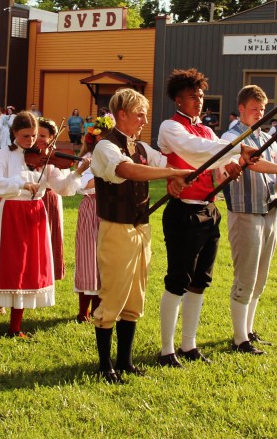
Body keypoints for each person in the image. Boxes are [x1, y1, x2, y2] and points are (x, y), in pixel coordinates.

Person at [156, 69, 277, 367]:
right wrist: (235, 150)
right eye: (192, 97)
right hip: (183, 210)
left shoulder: (207, 129)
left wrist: (230, 168)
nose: (199, 102)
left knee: (200, 281)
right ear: (178, 99)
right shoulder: (171, 127)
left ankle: (188, 344)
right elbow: (195, 152)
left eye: (201, 97)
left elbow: (217, 163)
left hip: (208, 208)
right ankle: (167, 349)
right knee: (178, 280)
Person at [90, 88, 190, 382]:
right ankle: (104, 366)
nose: (145, 119)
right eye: (139, 114)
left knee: (135, 297)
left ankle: (125, 362)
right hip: (116, 229)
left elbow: (166, 164)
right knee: (113, 295)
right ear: (121, 115)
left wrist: (186, 171)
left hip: (141, 227)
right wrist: (171, 175)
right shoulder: (105, 147)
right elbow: (128, 171)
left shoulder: (142, 148)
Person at [223, 85, 277, 355]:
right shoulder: (232, 136)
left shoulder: (265, 137)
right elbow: (254, 164)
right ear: (241, 110)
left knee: (260, 277)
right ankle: (239, 339)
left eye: (262, 109)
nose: (259, 113)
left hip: (269, 210)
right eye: (254, 109)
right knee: (245, 276)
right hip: (245, 211)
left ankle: (248, 330)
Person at [0, 111, 62, 339]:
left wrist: (77, 172)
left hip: (35, 214)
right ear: (14, 133)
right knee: (7, 269)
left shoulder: (42, 157)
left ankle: (15, 327)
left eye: (34, 136)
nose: (31, 141)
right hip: (12, 212)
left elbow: (61, 186)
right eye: (25, 136)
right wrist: (21, 183)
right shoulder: (4, 154)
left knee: (27, 269)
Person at [34, 117, 85, 281]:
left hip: (49, 199)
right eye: (36, 134)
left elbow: (63, 186)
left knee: (49, 239)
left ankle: (44, 276)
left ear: (51, 139)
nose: (38, 139)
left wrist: (77, 172)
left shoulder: (54, 159)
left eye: (43, 136)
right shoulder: (21, 152)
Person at [73, 114, 112, 322]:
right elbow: (80, 186)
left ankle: (98, 309)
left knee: (104, 259)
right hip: (92, 208)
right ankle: (83, 311)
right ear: (98, 138)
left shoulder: (112, 156)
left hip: (109, 209)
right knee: (88, 258)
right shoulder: (88, 158)